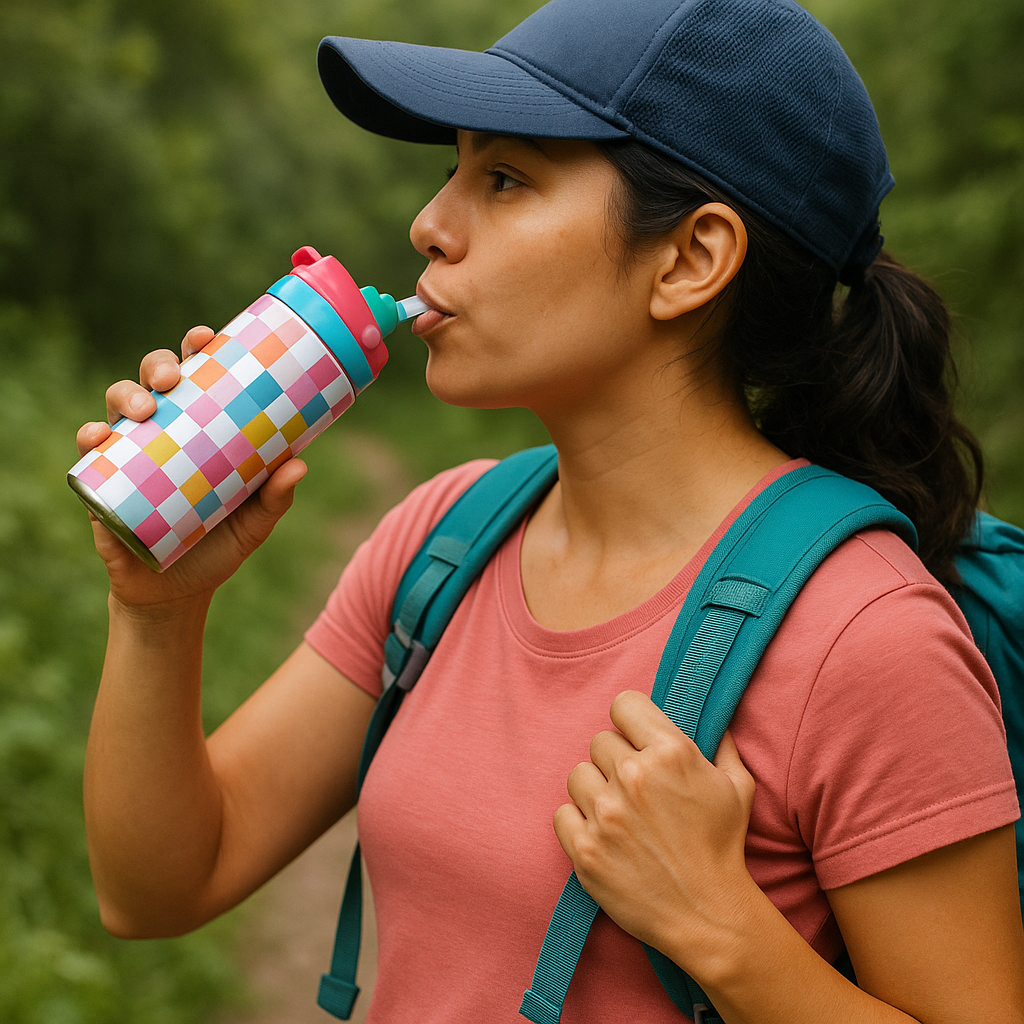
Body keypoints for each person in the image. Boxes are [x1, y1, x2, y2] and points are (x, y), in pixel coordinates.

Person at [76, 1, 1024, 1021]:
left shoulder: (866, 636)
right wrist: (157, 610)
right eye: (454, 170)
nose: (430, 224)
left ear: (690, 259)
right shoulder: (446, 535)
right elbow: (160, 885)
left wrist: (722, 928)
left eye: (506, 178)